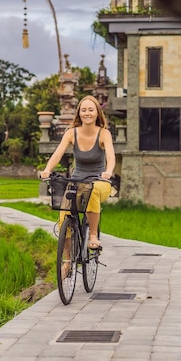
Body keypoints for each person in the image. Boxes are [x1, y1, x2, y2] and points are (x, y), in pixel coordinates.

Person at [40, 95, 116, 250]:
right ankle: (67, 260)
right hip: (76, 181)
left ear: (97, 113)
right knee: (64, 216)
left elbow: (111, 156)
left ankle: (93, 235)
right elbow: (57, 154)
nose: (87, 113)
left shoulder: (104, 134)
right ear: (79, 113)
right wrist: (47, 169)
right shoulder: (71, 133)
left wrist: (108, 171)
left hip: (100, 182)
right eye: (83, 110)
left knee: (92, 190)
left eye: (90, 110)